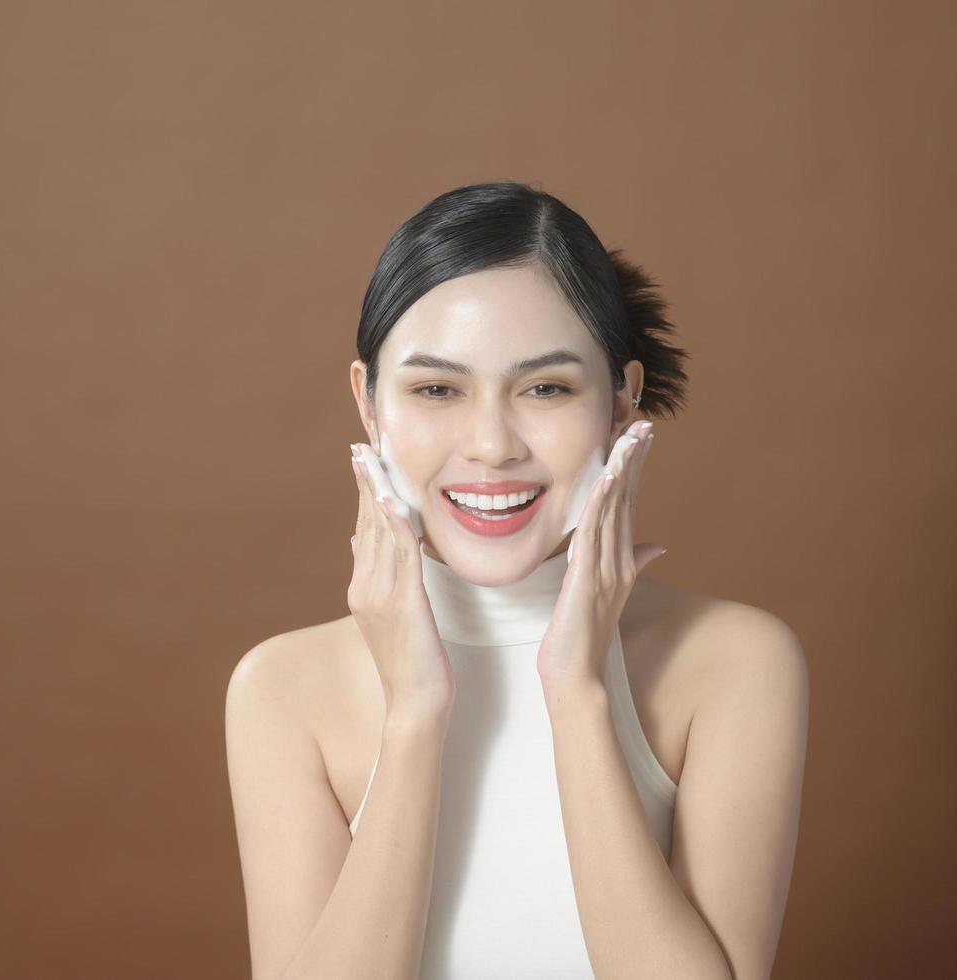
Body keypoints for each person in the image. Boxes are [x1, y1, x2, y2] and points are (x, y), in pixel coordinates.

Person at [226, 181, 809, 980]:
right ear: (368, 403)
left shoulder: (733, 664)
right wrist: (415, 714)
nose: (492, 445)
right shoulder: (282, 688)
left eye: (545, 388)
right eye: (436, 389)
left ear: (619, 401)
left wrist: (577, 687)